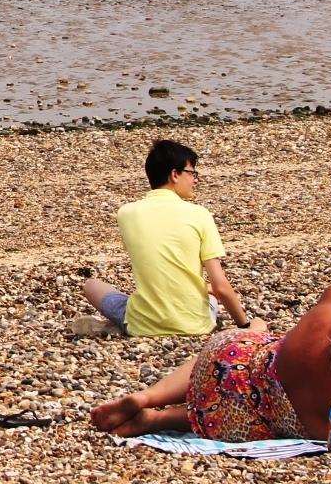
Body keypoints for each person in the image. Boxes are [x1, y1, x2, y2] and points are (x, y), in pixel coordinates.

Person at [89, 289, 331, 441]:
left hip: (228, 356)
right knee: (249, 416)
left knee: (242, 349)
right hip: (232, 415)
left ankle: (148, 397)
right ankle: (159, 419)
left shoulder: (325, 323)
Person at [77, 139, 261, 338]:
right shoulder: (199, 214)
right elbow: (221, 287)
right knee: (212, 297)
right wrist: (246, 326)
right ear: (175, 174)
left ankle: (115, 325)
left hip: (142, 325)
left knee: (91, 285)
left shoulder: (126, 213)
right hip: (195, 324)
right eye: (192, 173)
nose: (195, 180)